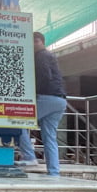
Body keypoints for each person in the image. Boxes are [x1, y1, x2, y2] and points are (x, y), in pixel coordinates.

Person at [17, 32, 68, 176]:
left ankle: (29, 157)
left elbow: (45, 76)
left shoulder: (41, 56)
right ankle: (54, 172)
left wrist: (31, 94)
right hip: (60, 100)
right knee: (49, 137)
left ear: (38, 41)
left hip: (47, 97)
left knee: (17, 122)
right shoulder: (50, 56)